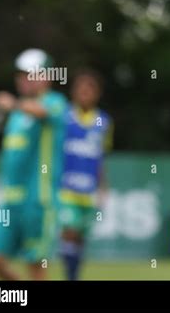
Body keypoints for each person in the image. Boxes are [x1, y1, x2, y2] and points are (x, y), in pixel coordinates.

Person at [0, 48, 67, 280]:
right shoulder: (17, 114)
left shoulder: (55, 102)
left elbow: (42, 111)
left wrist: (14, 104)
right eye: (21, 75)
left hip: (39, 199)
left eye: (30, 74)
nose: (24, 80)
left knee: (36, 266)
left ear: (47, 76)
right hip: (10, 200)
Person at [58, 69, 112, 280]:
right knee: (69, 232)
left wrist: (103, 187)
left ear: (96, 93)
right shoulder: (64, 117)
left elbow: (101, 157)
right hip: (65, 188)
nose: (84, 93)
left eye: (89, 90)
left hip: (88, 190)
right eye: (81, 89)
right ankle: (69, 277)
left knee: (80, 238)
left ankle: (74, 275)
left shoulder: (104, 121)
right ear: (73, 92)